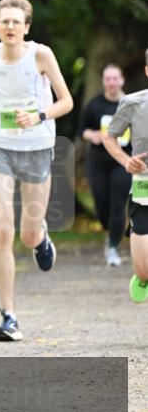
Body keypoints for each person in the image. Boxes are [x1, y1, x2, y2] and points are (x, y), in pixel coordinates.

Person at [0, 0, 73, 342]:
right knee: (4, 230)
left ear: (26, 27)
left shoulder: (40, 55)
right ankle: (8, 316)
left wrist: (37, 115)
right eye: (4, 21)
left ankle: (40, 238)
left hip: (37, 148)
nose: (10, 27)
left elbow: (67, 102)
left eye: (16, 22)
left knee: (26, 234)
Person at [103, 49, 148, 303]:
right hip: (144, 189)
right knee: (144, 270)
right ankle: (141, 277)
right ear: (147, 71)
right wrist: (125, 160)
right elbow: (110, 136)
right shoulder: (133, 103)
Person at [78, 64, 132, 266]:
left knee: (118, 203)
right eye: (108, 79)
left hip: (123, 160)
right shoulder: (94, 105)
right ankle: (110, 231)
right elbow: (82, 131)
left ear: (122, 80)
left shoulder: (131, 104)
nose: (111, 83)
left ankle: (113, 247)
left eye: (115, 78)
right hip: (98, 160)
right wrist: (93, 136)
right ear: (103, 81)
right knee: (102, 207)